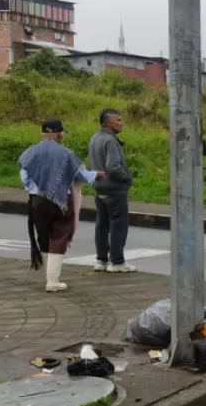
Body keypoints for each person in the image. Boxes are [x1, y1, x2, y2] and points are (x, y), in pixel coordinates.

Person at [18, 120, 105, 292]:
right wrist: (95, 174)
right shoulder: (66, 154)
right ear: (58, 133)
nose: (62, 136)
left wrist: (36, 188)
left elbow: (25, 177)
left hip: (37, 201)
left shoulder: (30, 153)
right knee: (59, 236)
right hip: (60, 202)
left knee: (44, 236)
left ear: (43, 134)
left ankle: (49, 278)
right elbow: (80, 175)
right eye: (62, 133)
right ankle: (53, 281)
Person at [89, 108, 135, 273]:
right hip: (115, 189)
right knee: (118, 225)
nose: (121, 123)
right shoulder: (111, 141)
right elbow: (113, 167)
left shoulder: (95, 138)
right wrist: (127, 178)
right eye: (118, 120)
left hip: (99, 188)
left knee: (102, 224)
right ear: (108, 122)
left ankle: (101, 260)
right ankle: (117, 261)